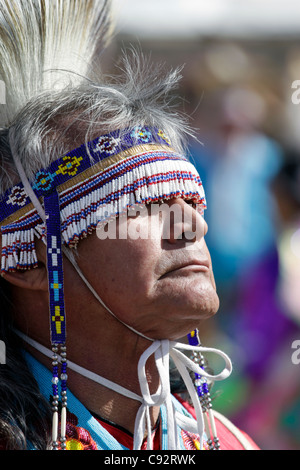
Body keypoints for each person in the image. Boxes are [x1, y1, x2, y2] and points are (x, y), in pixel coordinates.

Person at [0, 0, 259, 451]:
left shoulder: (231, 442)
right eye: (141, 203)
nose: (191, 225)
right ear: (31, 259)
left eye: (191, 198)